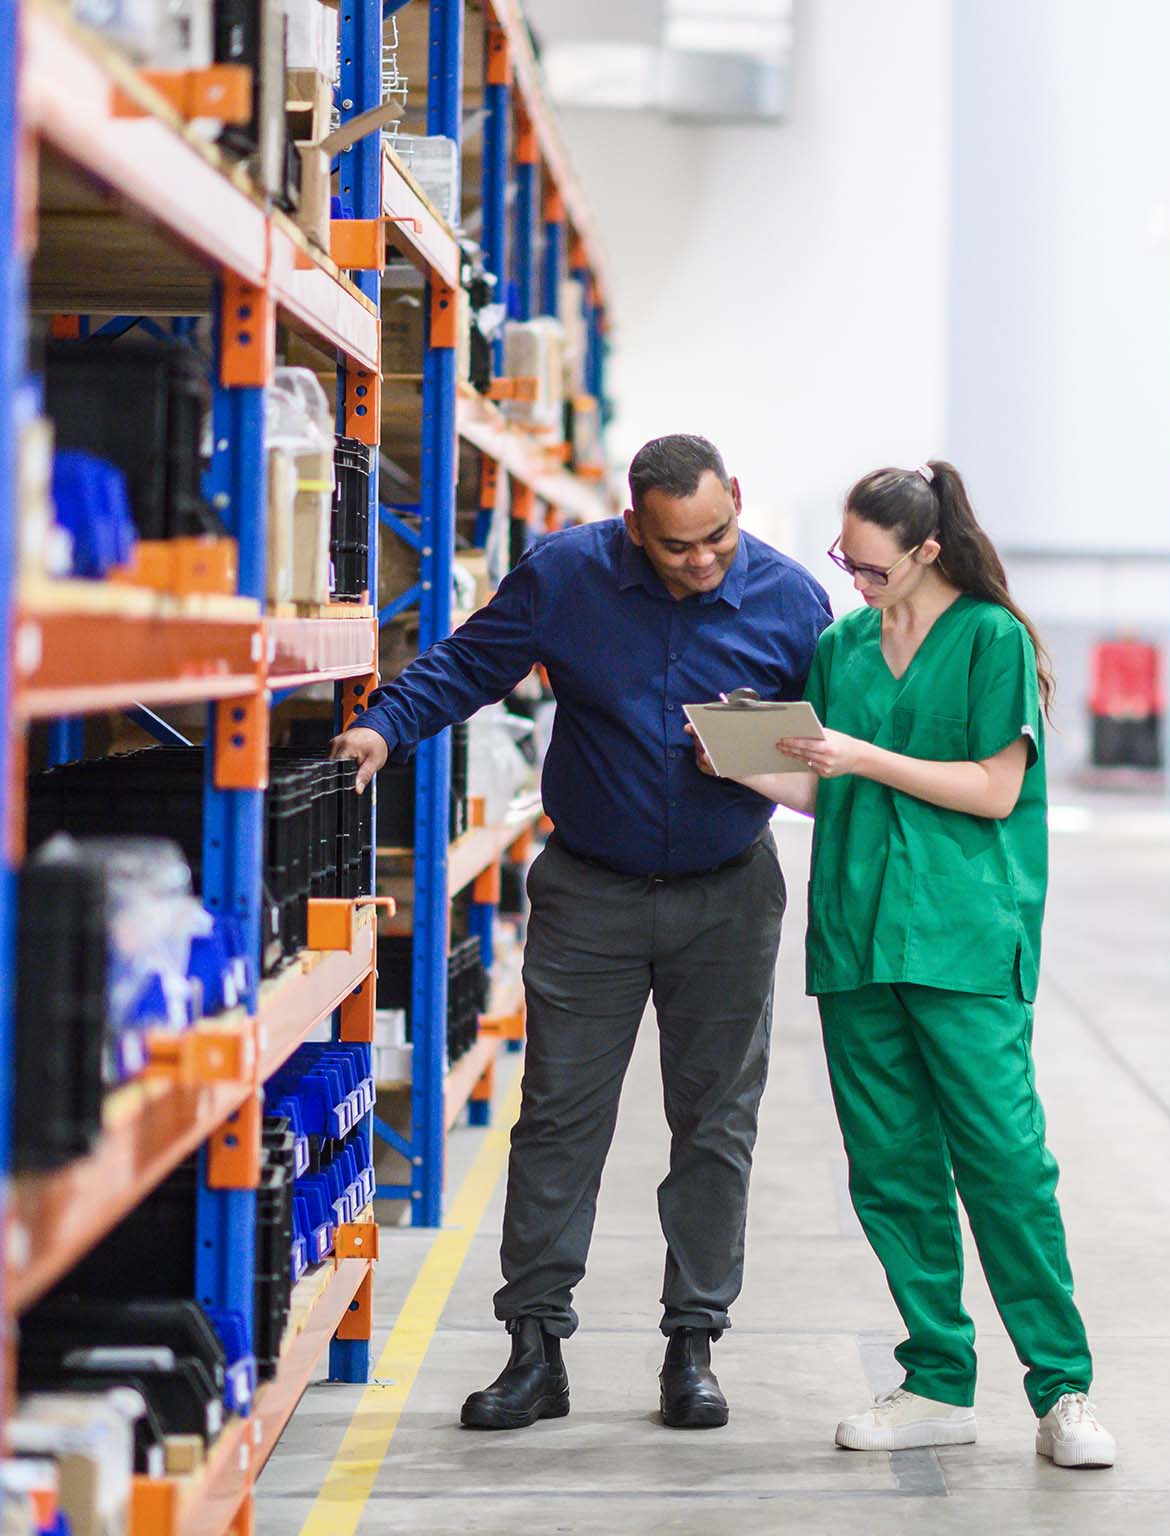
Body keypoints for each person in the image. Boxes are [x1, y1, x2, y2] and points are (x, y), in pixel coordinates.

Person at [331, 434, 831, 1432]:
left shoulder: (792, 600)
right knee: (559, 1114)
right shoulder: (567, 573)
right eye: (676, 545)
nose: (701, 561)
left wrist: (771, 751)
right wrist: (384, 727)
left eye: (717, 537)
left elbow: (839, 745)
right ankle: (534, 1346)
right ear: (633, 524)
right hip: (591, 891)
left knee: (716, 1122)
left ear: (738, 498)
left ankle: (693, 1344)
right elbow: (470, 663)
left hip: (729, 895)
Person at [701, 460, 1115, 1466]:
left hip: (965, 937)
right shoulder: (842, 647)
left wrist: (859, 756)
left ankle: (1064, 1392)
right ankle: (936, 1380)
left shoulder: (989, 639)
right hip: (856, 937)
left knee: (1007, 1166)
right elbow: (824, 792)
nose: (856, 579)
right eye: (846, 558)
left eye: (873, 565)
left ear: (928, 551)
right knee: (891, 1172)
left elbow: (990, 790)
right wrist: (742, 756)